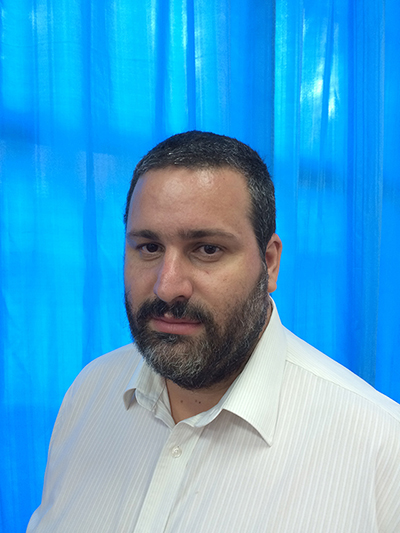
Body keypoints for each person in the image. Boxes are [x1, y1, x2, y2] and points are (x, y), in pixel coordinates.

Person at [27, 131, 400, 532]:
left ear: (270, 263)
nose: (167, 286)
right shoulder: (89, 396)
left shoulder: (380, 448)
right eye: (149, 247)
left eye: (207, 249)